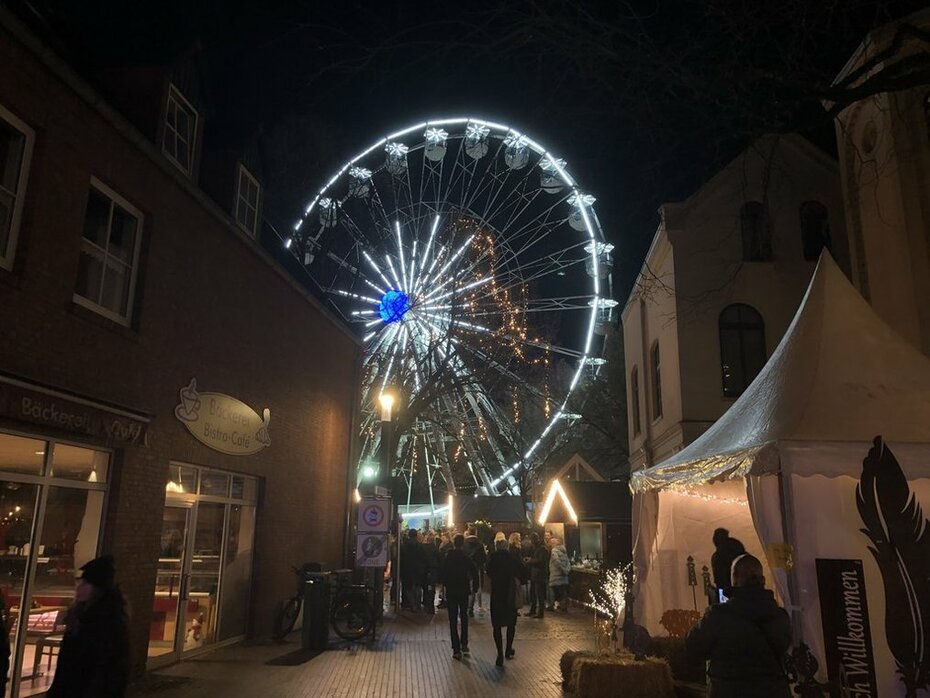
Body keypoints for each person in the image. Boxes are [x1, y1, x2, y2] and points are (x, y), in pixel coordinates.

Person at [686, 554, 791, 697]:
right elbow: (782, 647)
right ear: (762, 580)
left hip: (729, 691)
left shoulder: (717, 616)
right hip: (772, 691)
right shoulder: (780, 616)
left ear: (734, 578)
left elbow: (693, 645)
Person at [48, 554, 130, 698]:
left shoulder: (108, 622)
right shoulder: (80, 615)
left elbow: (110, 670)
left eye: (86, 584)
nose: (78, 588)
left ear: (98, 589)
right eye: (78, 582)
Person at [486, 532, 528, 666]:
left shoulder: (492, 558)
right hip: (510, 594)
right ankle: (508, 648)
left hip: (497, 594)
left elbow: (488, 572)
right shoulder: (512, 558)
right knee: (511, 624)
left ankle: (499, 653)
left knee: (496, 626)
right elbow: (523, 571)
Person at [439, 534, 479, 660]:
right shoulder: (465, 558)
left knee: (452, 619)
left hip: (451, 590)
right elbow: (474, 571)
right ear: (463, 544)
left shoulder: (448, 557)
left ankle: (455, 648)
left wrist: (445, 584)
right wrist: (475, 586)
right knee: (464, 617)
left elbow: (443, 573)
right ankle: (464, 643)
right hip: (463, 590)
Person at [711, 528, 746, 601]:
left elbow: (720, 578)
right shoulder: (735, 547)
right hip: (736, 589)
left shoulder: (719, 556)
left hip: (729, 589)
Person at [463, 525, 487, 617]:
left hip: (465, 569)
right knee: (474, 589)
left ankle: (465, 607)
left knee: (465, 588)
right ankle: (470, 608)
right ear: (476, 532)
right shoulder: (480, 544)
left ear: (468, 532)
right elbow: (484, 558)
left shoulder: (464, 543)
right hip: (476, 569)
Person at [401, 528, 425, 611]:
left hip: (407, 569)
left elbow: (402, 558)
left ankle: (411, 604)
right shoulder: (420, 546)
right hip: (418, 569)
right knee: (418, 587)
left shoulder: (404, 546)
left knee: (408, 587)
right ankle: (417, 604)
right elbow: (423, 558)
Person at [528, 532, 549, 617]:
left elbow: (540, 561)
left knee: (539, 594)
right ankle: (534, 610)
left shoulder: (542, 549)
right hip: (536, 574)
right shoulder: (538, 548)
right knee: (534, 593)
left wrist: (530, 561)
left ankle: (540, 612)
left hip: (539, 575)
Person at [548, 535, 570, 612]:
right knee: (563, 591)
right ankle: (564, 606)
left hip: (556, 575)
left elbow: (556, 561)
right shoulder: (564, 551)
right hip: (564, 576)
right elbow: (568, 562)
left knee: (552, 589)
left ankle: (551, 605)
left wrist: (562, 570)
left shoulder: (554, 551)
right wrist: (566, 570)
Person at [421, 532, 441, 614]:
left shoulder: (422, 547)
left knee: (425, 587)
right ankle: (430, 605)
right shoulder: (435, 548)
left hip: (424, 570)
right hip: (433, 570)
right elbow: (439, 559)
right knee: (431, 588)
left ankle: (425, 603)